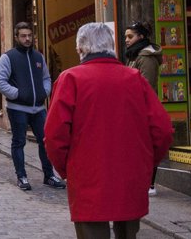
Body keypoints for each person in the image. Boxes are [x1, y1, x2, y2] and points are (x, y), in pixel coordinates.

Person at [45, 22, 173, 239]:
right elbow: (163, 130)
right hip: (130, 174)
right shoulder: (134, 79)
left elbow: (54, 135)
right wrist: (146, 163)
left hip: (87, 175)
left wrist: (66, 169)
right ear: (111, 47)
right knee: (128, 233)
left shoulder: (71, 79)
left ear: (81, 49)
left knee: (91, 232)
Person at [0, 22, 65, 191]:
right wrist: (17, 94)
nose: (27, 39)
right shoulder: (8, 57)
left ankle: (49, 175)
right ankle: (22, 176)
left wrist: (44, 91)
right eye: (23, 36)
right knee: (19, 142)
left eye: (29, 36)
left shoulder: (38, 57)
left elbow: (46, 77)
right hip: (17, 108)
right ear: (16, 37)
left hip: (39, 108)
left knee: (45, 142)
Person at [125, 20, 163, 196]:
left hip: (144, 109)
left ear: (141, 37)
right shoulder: (135, 55)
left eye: (130, 36)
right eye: (126, 36)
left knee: (146, 147)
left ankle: (149, 184)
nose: (126, 40)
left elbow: (146, 87)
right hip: (134, 108)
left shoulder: (146, 57)